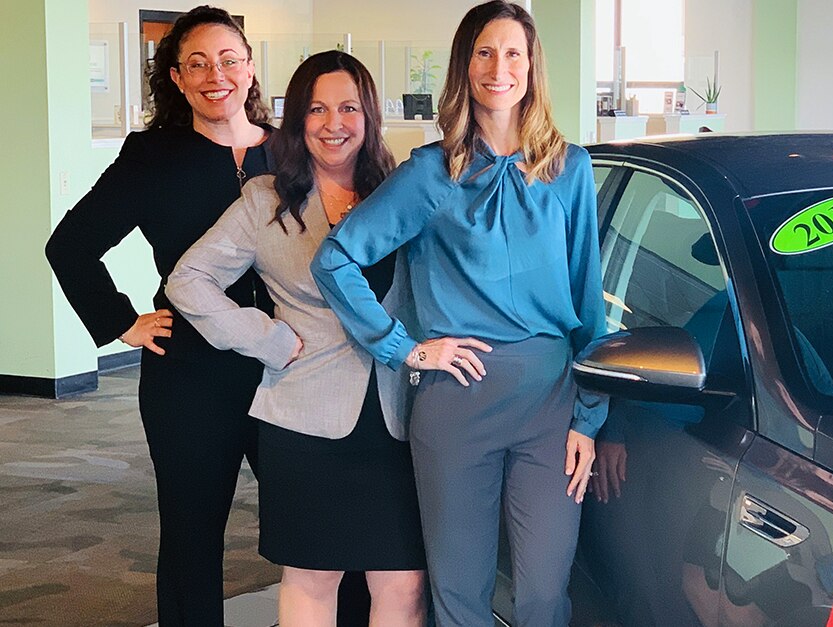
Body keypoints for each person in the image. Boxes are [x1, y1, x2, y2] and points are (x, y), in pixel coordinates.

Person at [310, 1, 608, 624]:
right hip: (455, 399)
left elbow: (587, 303)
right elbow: (335, 259)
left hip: (551, 401)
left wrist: (590, 417)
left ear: (532, 67)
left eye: (513, 54)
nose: (500, 68)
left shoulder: (570, 168)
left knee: (544, 593)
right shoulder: (430, 172)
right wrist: (405, 347)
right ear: (464, 66)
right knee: (460, 592)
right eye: (484, 52)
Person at [166, 50, 427, 626]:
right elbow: (188, 279)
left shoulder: (403, 192)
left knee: (404, 584)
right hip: (304, 419)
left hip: (400, 419)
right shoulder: (266, 200)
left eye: (349, 108)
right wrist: (263, 337)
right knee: (312, 580)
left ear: (370, 116)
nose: (334, 123)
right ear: (297, 119)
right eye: (317, 109)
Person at [44, 6, 273, 624]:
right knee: (192, 530)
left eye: (228, 60)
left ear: (250, 68)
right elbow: (69, 244)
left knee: (309, 517)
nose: (214, 74)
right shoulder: (154, 155)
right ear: (176, 78)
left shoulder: (291, 152)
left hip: (286, 366)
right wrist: (123, 322)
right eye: (195, 64)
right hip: (190, 374)